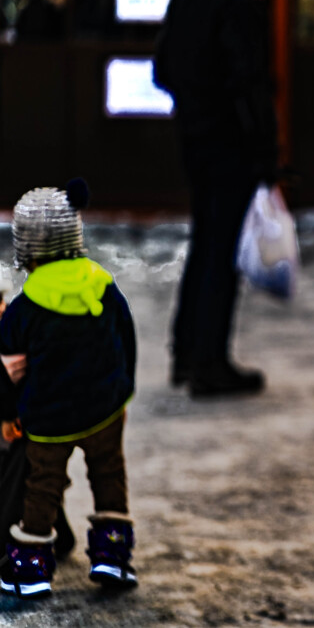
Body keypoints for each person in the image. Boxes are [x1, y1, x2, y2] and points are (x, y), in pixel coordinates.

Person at [0, 181, 138, 599]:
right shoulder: (103, 284)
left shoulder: (24, 307)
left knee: (42, 485)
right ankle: (112, 557)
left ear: (26, 246)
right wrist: (121, 394)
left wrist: (11, 415)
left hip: (48, 419)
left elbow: (10, 368)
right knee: (109, 476)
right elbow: (125, 340)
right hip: (104, 411)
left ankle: (32, 569)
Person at [154, 0, 274, 397]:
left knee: (206, 243)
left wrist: (195, 103)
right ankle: (209, 363)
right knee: (223, 252)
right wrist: (266, 153)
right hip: (232, 145)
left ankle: (187, 354)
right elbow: (250, 87)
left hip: (194, 139)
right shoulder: (239, 4)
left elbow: (163, 70)